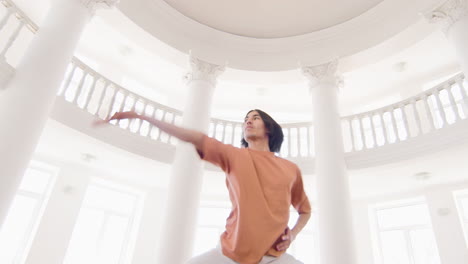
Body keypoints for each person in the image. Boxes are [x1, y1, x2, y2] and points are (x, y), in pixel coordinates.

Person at [95, 109, 311, 264]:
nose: (248, 121)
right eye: (245, 119)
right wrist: (142, 117)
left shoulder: (290, 169)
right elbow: (194, 137)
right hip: (229, 255)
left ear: (269, 128)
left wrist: (293, 234)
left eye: (255, 118)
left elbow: (304, 210)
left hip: (274, 257)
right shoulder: (234, 156)